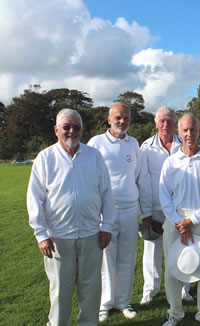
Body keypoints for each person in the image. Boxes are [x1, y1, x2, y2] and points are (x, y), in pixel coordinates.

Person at [27, 108, 115, 326]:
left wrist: (107, 226)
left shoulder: (94, 156)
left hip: (91, 235)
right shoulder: (45, 158)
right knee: (60, 292)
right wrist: (41, 234)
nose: (71, 131)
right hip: (58, 238)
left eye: (76, 127)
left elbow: (106, 193)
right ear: (56, 130)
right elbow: (34, 198)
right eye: (66, 127)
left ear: (82, 129)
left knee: (91, 289)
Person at [87, 103, 152, 322]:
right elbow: (90, 179)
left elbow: (140, 177)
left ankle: (123, 301)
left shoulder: (133, 143)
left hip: (130, 210)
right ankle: (104, 304)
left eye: (125, 118)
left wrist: (144, 210)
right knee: (106, 258)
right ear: (109, 119)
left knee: (127, 256)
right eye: (118, 117)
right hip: (106, 212)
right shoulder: (96, 143)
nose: (122, 121)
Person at [159, 113, 200, 326]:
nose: (189, 134)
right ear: (179, 132)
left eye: (192, 130)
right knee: (172, 270)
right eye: (185, 130)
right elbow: (164, 195)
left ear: (199, 131)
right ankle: (175, 314)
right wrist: (178, 221)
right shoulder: (170, 162)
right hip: (174, 222)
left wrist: (191, 221)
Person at [139, 106, 195, 305]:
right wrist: (145, 211)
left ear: (176, 123)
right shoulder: (145, 148)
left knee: (182, 248)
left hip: (180, 209)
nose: (165, 124)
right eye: (162, 120)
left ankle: (184, 290)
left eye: (170, 120)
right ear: (156, 123)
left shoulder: (184, 144)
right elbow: (143, 181)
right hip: (155, 208)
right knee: (152, 252)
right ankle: (150, 291)